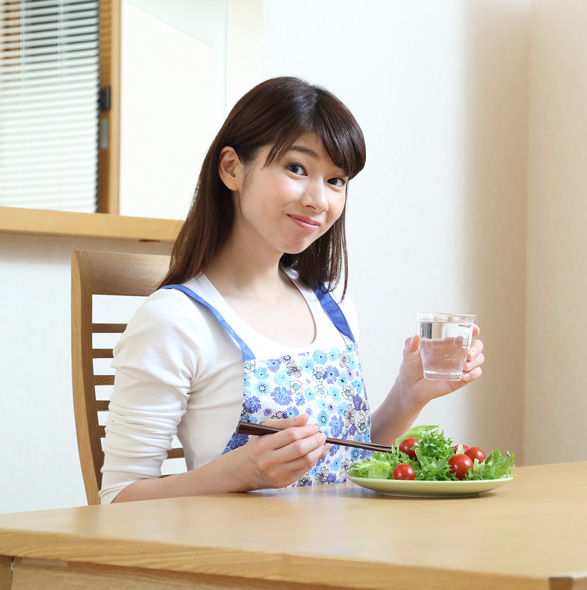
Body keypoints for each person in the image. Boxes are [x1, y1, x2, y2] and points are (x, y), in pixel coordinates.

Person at [99, 77, 484, 503]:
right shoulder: (175, 320)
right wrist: (239, 472)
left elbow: (339, 463)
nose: (319, 200)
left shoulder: (331, 304)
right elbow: (118, 498)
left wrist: (410, 393)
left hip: (349, 553)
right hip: (245, 562)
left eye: (337, 180)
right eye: (297, 169)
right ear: (231, 168)